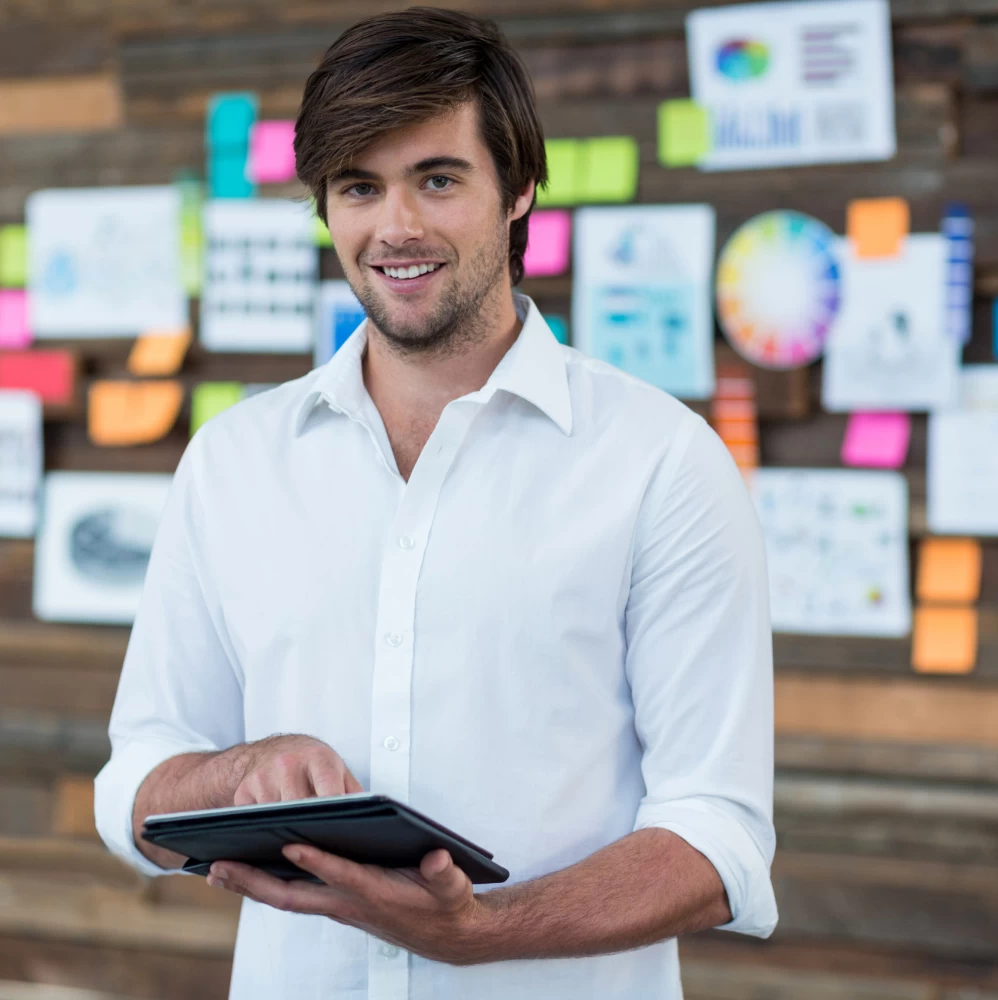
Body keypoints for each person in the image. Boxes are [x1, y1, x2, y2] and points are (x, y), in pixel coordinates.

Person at [94, 7, 778, 998]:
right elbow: (137, 778)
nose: (396, 227)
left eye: (438, 179)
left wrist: (481, 930)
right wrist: (235, 773)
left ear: (519, 189)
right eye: (360, 187)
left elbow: (716, 833)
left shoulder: (659, 463)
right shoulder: (233, 463)